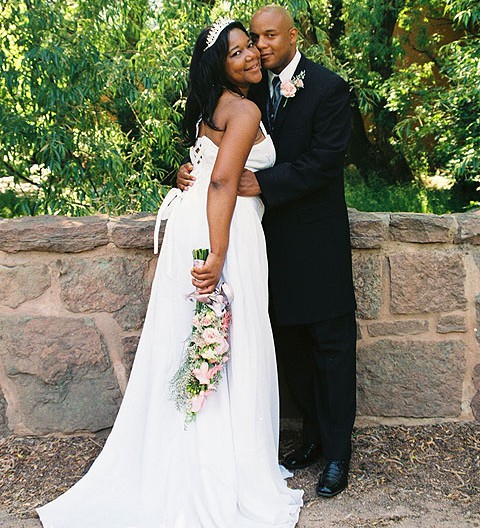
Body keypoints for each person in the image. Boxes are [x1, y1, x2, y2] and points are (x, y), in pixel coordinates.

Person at [36, 19, 303, 528]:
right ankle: (225, 463)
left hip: (194, 222)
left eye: (251, 47)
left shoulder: (211, 107)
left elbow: (203, 166)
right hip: (223, 229)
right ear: (218, 65)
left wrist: (187, 184)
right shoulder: (243, 109)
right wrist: (219, 255)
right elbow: (223, 180)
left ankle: (190, 442)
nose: (250, 56)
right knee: (233, 333)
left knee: (197, 334)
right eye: (237, 52)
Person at [178, 5, 357, 499]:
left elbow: (325, 161)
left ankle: (338, 454)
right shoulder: (248, 91)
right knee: (289, 345)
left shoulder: (328, 88)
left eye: (270, 36)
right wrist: (185, 172)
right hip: (265, 244)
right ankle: (313, 440)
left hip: (316, 243)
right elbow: (213, 145)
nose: (260, 46)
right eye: (254, 39)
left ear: (294, 35)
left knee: (331, 346)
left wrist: (262, 182)